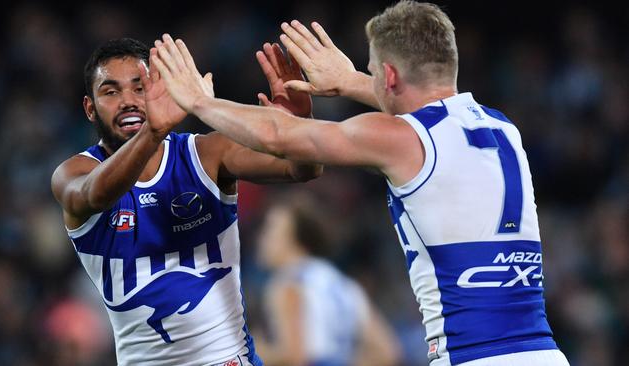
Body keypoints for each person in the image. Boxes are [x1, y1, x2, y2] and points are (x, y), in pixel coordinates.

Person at [150, 1, 571, 365]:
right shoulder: (502, 127)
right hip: (546, 352)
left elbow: (281, 136)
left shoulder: (400, 139)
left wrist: (200, 102)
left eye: (372, 73)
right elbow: (426, 106)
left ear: (388, 76)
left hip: (475, 356)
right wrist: (351, 81)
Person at [50, 38, 321, 366]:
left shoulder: (205, 154)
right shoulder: (74, 172)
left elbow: (302, 168)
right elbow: (96, 195)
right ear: (90, 108)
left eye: (140, 88)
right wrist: (153, 131)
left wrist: (299, 122)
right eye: (111, 92)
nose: (128, 101)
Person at [254, 195, 401, 366]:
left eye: (270, 230)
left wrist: (257, 352)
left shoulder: (287, 283)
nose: (262, 239)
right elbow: (388, 352)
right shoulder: (345, 285)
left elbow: (295, 358)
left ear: (295, 240)